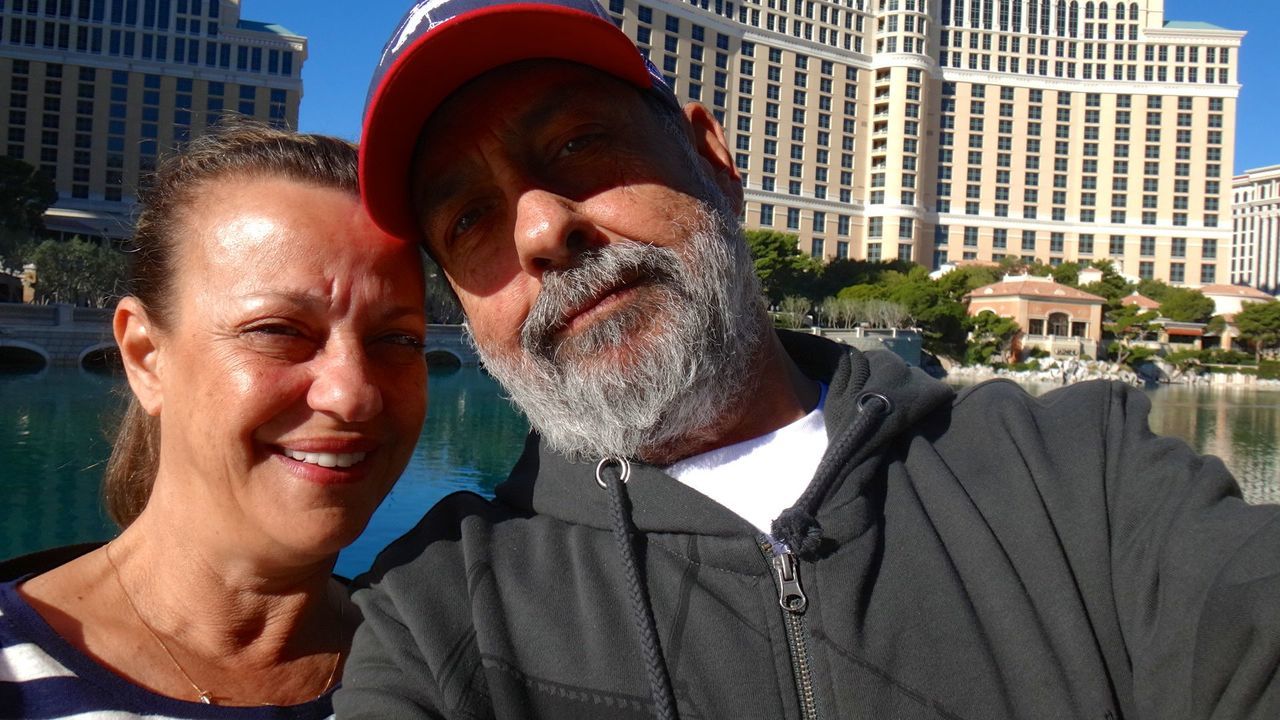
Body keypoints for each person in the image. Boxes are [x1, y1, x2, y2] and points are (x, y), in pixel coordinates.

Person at [338, 0, 1280, 717]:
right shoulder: (438, 614)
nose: (542, 227)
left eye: (581, 144)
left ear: (714, 159)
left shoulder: (1083, 476)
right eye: (468, 218)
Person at [0, 123, 429, 717]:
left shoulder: (443, 670)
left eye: (398, 339)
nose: (353, 396)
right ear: (147, 356)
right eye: (277, 330)